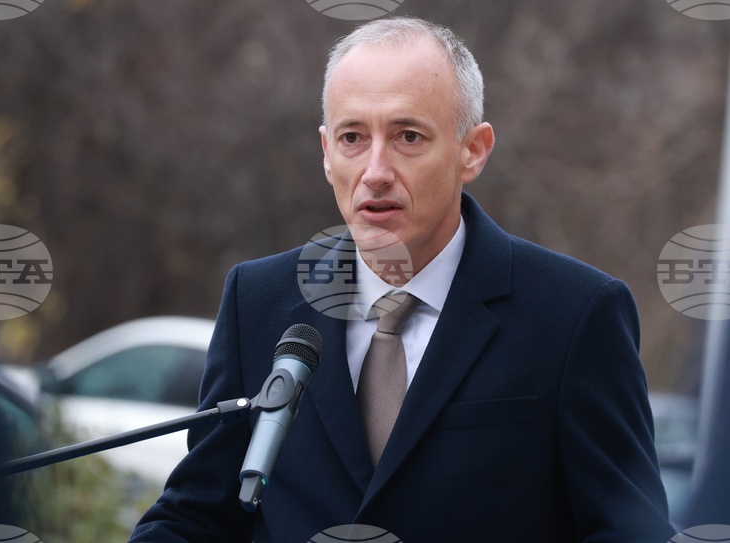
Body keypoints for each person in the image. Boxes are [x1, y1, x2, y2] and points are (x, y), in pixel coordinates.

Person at [129, 16, 675, 542]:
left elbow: (630, 530)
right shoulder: (257, 300)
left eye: (408, 136)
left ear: (473, 150)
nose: (375, 172)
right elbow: (198, 515)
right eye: (352, 137)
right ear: (326, 153)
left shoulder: (575, 314)